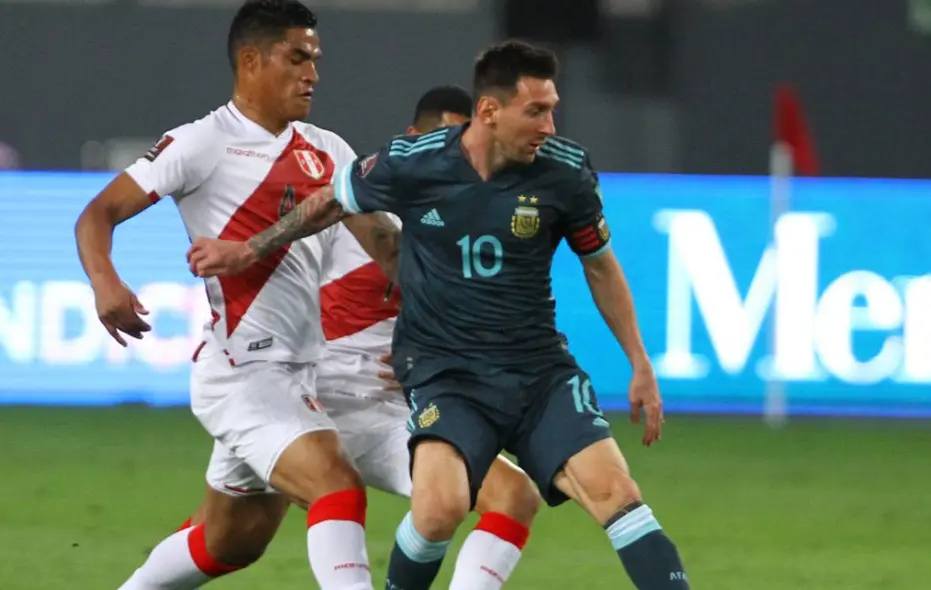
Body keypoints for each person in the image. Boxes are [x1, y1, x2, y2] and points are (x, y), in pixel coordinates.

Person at [188, 40, 691, 589]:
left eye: (553, 108)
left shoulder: (565, 172)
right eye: (536, 111)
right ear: (490, 111)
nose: (550, 126)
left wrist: (639, 361)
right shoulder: (416, 163)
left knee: (618, 494)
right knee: (438, 510)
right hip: (448, 378)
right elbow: (330, 201)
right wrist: (251, 249)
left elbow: (601, 266)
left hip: (539, 374)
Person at [74, 2, 396, 588]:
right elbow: (98, 213)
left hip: (303, 374)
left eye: (316, 60)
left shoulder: (328, 149)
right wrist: (106, 281)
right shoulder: (201, 142)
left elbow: (387, 248)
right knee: (335, 483)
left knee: (228, 544)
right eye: (297, 58)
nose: (313, 75)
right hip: (243, 374)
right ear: (251, 61)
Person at [180, 84, 542, 589]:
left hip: (394, 412)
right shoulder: (351, 210)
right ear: (412, 140)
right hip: (313, 400)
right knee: (228, 537)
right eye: (441, 140)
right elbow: (284, 293)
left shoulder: (477, 236)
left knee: (514, 496)